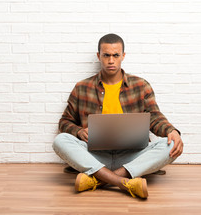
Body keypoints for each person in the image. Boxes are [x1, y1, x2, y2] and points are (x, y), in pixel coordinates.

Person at [53, 33, 183, 199]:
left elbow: (154, 117)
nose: (111, 60)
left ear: (123, 55)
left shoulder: (141, 85)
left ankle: (99, 179)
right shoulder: (81, 87)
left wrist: (171, 131)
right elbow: (64, 122)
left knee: (171, 144)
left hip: (131, 155)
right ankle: (124, 182)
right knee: (60, 141)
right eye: (106, 55)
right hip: (95, 154)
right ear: (98, 56)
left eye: (116, 55)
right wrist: (78, 131)